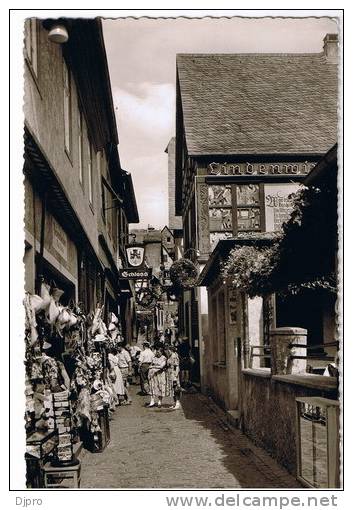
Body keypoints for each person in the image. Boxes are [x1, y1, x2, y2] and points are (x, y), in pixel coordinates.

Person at [165, 344, 181, 410]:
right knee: (172, 389)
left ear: (171, 350)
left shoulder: (174, 356)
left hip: (173, 374)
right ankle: (174, 403)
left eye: (168, 350)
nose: (167, 351)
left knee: (175, 389)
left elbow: (177, 366)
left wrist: (175, 376)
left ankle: (177, 402)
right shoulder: (170, 356)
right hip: (169, 374)